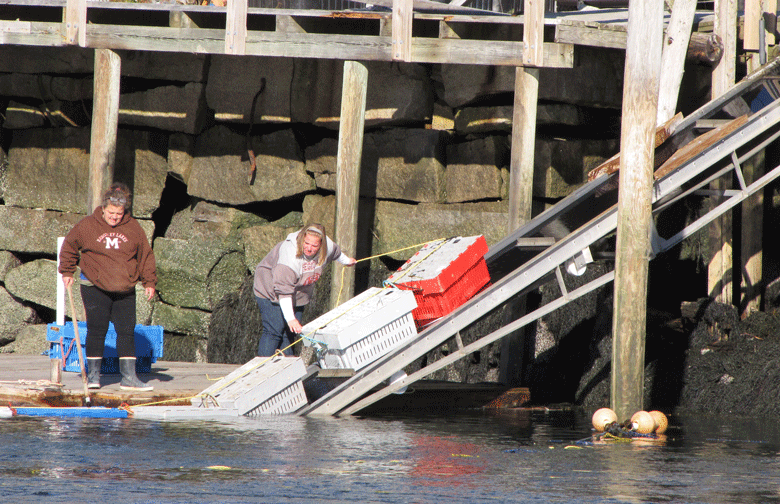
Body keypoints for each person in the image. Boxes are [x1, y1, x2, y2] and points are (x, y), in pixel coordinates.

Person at [59, 182, 157, 392]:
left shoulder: (133, 228)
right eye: (111, 213)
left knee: (126, 331)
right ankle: (94, 376)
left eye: (119, 214)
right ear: (103, 209)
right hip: (94, 285)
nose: (115, 217)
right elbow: (69, 246)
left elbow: (145, 256)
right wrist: (67, 271)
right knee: (97, 329)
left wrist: (149, 282)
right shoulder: (87, 225)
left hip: (124, 287)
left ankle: (129, 378)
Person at [253, 223, 356, 357]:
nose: (309, 248)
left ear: (321, 245)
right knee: (274, 331)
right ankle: (262, 370)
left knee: (290, 333)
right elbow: (284, 292)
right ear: (302, 239)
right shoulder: (289, 257)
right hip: (270, 288)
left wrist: (347, 261)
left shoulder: (328, 247)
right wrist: (290, 318)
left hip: (298, 292)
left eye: (314, 246)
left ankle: (287, 370)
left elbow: (336, 253)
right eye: (306, 243)